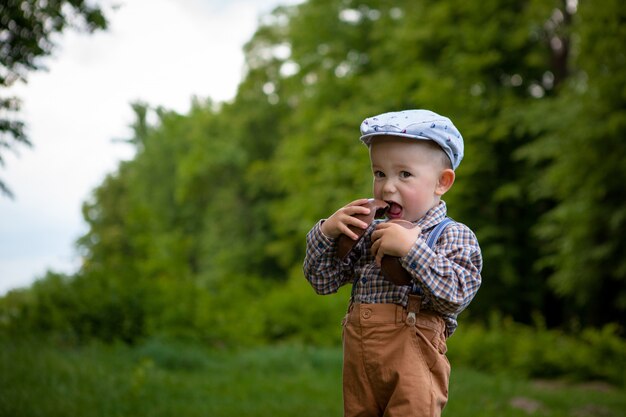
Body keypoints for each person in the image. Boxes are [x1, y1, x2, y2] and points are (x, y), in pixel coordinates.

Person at [303, 109, 483, 417]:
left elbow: (456, 296)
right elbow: (322, 281)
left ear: (442, 182)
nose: (387, 188)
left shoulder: (452, 235)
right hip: (361, 366)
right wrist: (326, 232)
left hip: (414, 365)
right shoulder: (367, 233)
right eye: (379, 173)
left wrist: (412, 250)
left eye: (404, 174)